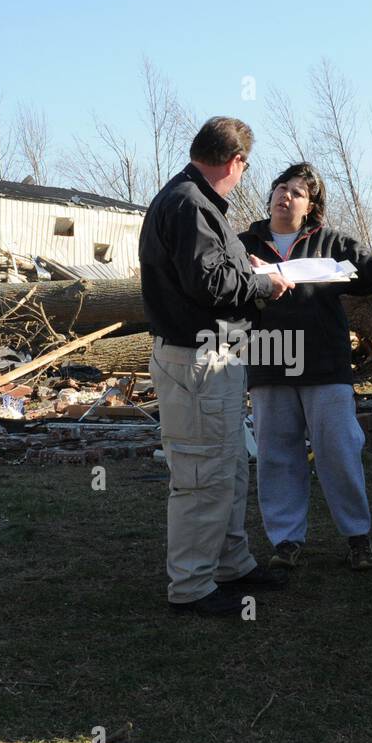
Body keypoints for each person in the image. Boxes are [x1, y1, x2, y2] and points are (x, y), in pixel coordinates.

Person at [239, 163, 372, 570]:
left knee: (339, 451)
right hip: (269, 363)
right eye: (280, 187)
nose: (286, 195)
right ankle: (285, 541)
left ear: (312, 206)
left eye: (298, 192)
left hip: (325, 366)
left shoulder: (331, 244)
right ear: (270, 196)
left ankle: (357, 537)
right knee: (276, 455)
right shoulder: (242, 244)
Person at [139, 117, 294, 617]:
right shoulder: (189, 204)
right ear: (236, 161)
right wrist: (263, 286)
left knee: (225, 466)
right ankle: (190, 585)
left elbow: (211, 272)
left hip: (214, 355)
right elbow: (209, 285)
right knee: (202, 472)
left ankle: (230, 563)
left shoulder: (196, 203)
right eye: (246, 166)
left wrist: (246, 271)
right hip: (196, 359)